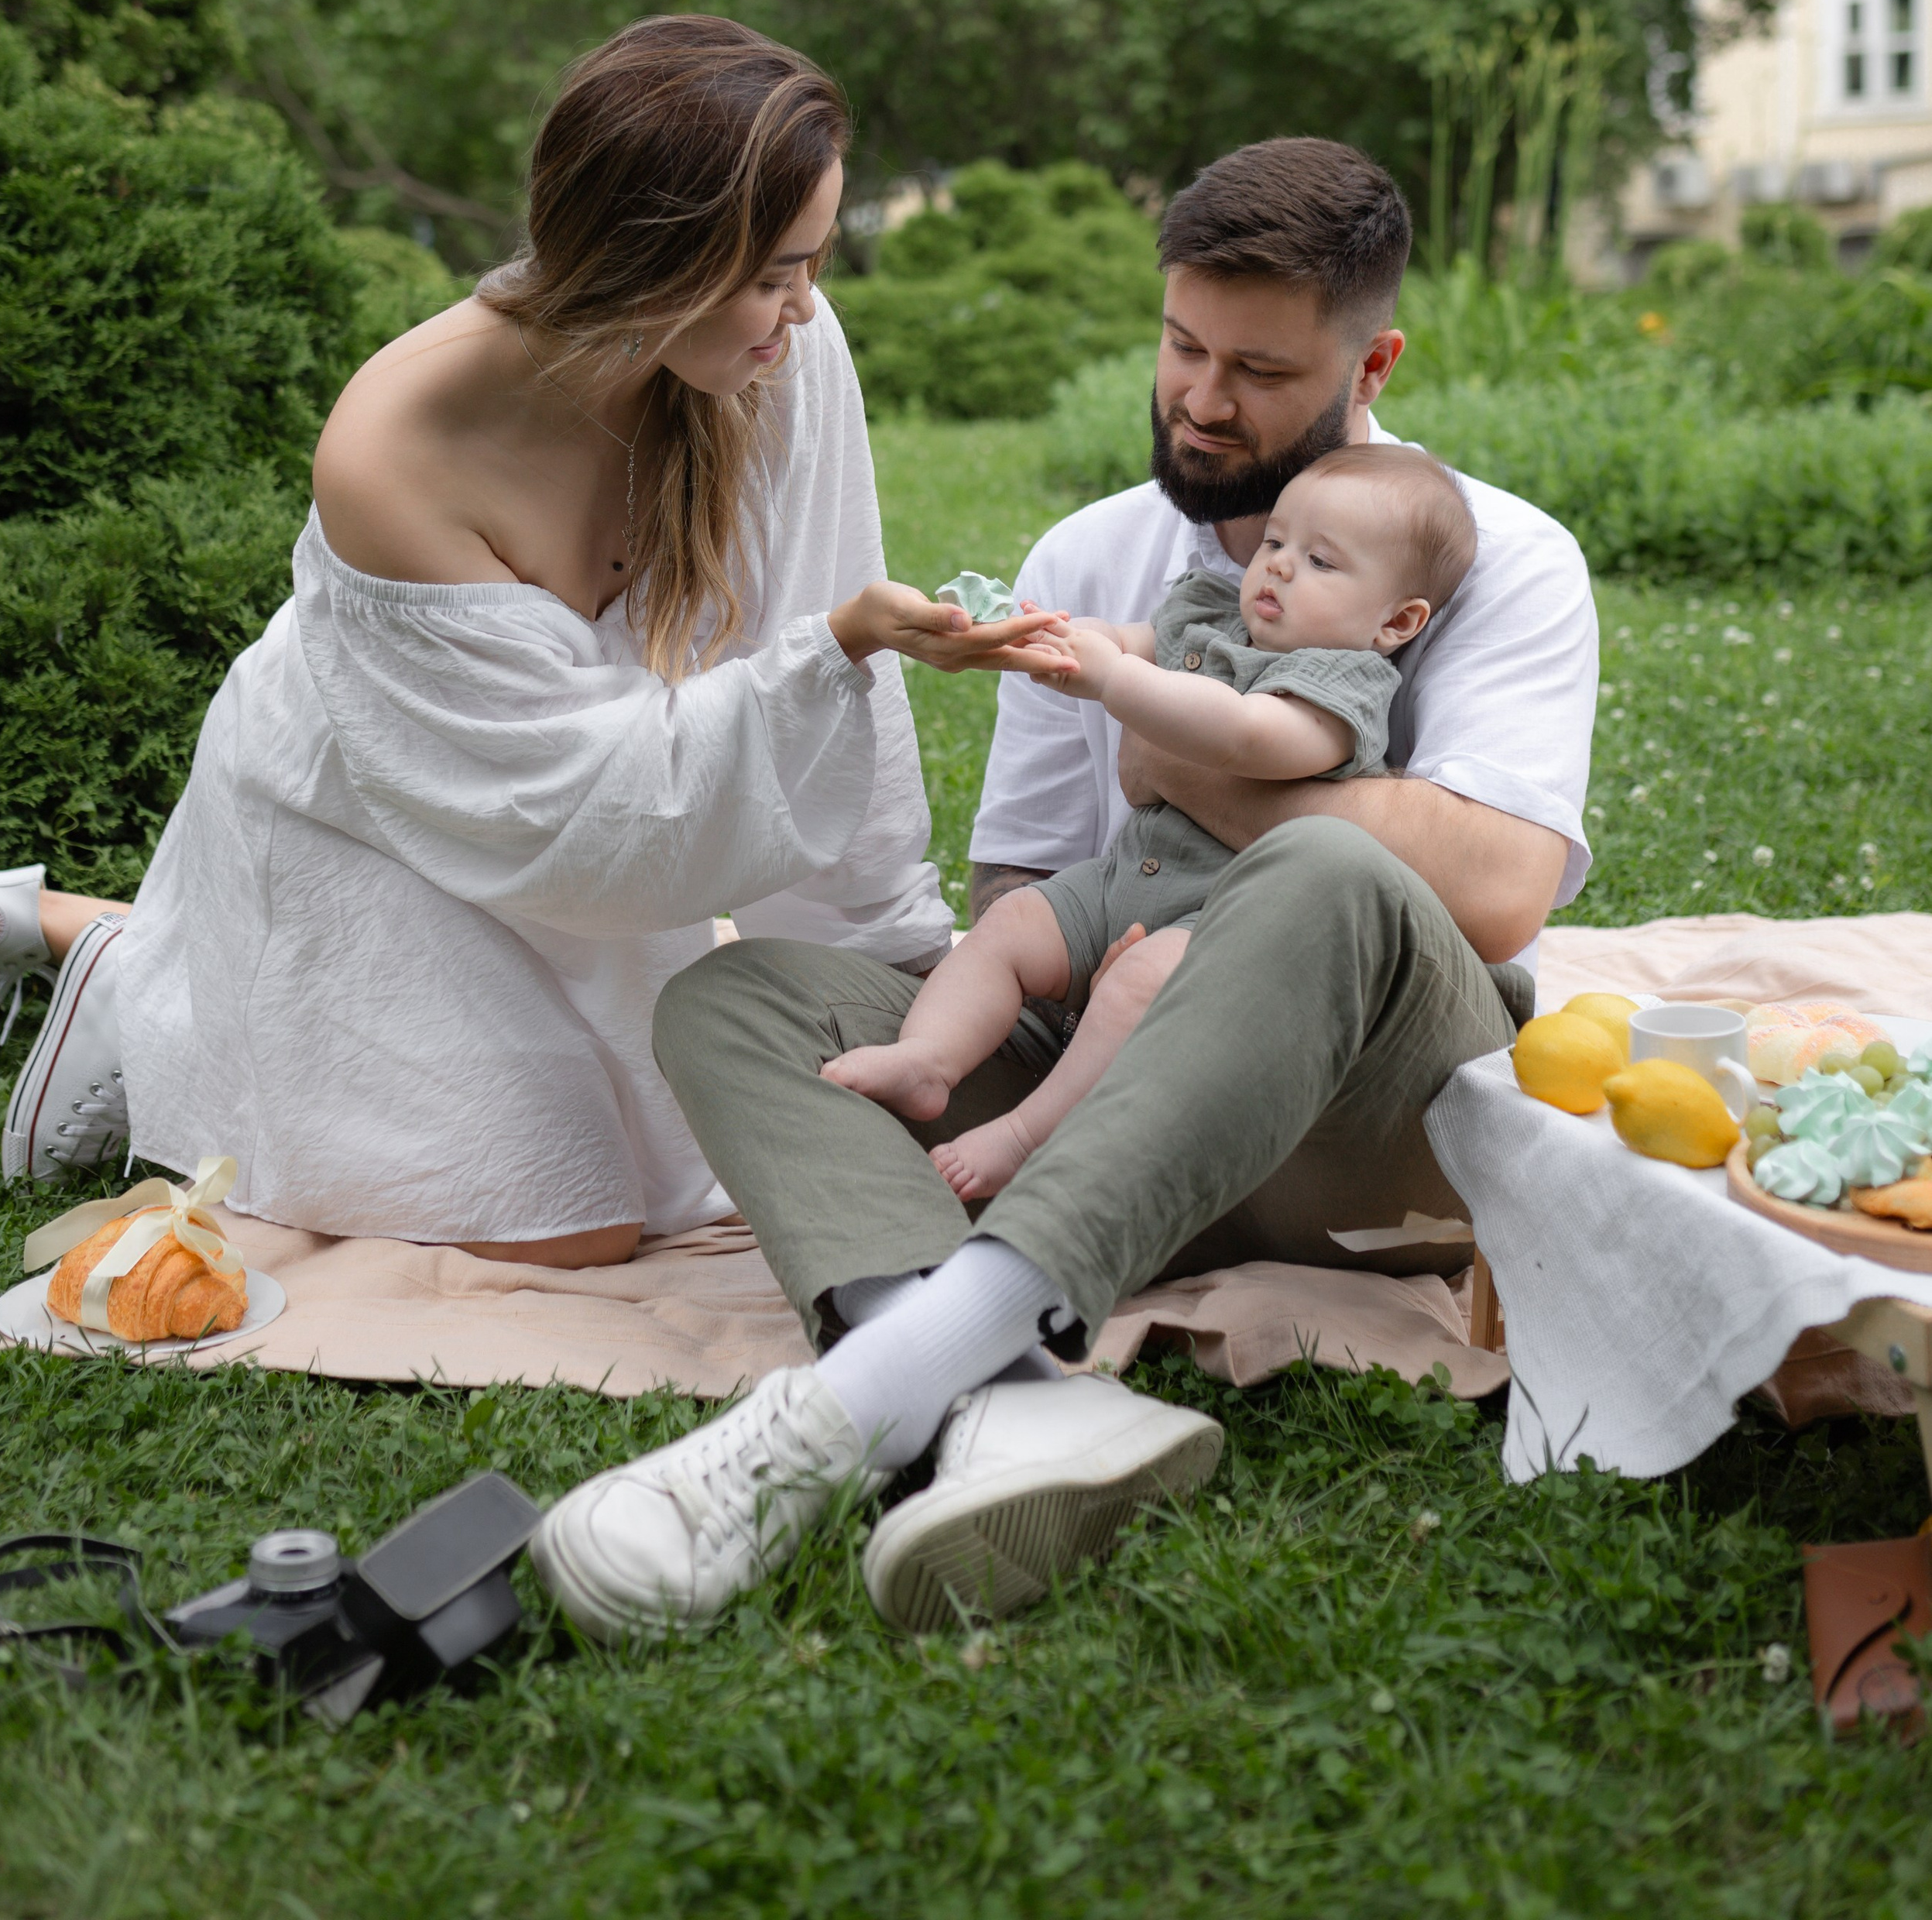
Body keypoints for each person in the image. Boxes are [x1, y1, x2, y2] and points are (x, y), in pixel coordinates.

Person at [529, 135, 1596, 1643]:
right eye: (1179, 346)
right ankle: (1013, 1398)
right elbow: (1028, 889)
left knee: (1328, 867)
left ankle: (848, 1409)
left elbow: (1490, 892)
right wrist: (1059, 997)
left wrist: (1184, 762)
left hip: (1367, 1133)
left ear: (1374, 360)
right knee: (741, 996)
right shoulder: (1093, 552)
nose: (1201, 399)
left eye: (1258, 370)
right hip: (1115, 1093)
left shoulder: (1501, 556)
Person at [0, 17, 1069, 1257]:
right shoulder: (397, 447)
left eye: (813, 264)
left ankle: (142, 952)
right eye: (774, 272)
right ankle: (125, 964)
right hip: (388, 811)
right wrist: (835, 650)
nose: (805, 309)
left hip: (600, 816)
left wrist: (885, 978)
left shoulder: (776, 357)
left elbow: (828, 718)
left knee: (677, 1170)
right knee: (562, 1224)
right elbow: (572, 806)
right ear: (653, 258)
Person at [824, 444, 1477, 1204]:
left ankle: (1025, 1135)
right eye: (1275, 542)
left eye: (1321, 562)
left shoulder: (1345, 688)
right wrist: (1060, 636)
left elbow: (1246, 736)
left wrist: (1116, 681)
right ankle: (927, 1059)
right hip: (1122, 879)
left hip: (1220, 921)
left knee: (1136, 987)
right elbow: (1128, 638)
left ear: (1395, 620)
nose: (1279, 567)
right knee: (1009, 928)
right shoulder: (1210, 614)